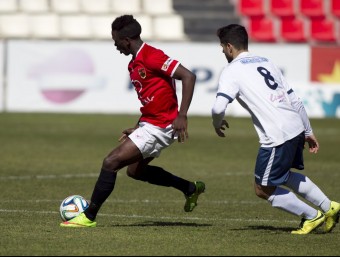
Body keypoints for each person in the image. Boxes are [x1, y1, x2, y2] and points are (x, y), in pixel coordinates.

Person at [60, 15, 205, 228]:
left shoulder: (152, 56)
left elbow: (189, 76)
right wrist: (139, 125)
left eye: (116, 41)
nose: (115, 45)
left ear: (126, 40)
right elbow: (153, 98)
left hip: (162, 126)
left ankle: (89, 216)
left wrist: (182, 115)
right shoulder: (134, 63)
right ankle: (190, 188)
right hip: (150, 124)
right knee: (135, 171)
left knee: (111, 162)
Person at [211, 24, 339, 235]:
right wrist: (307, 131)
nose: (223, 52)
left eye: (223, 48)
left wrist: (217, 123)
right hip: (295, 127)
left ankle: (311, 216)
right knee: (284, 175)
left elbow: (218, 107)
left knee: (262, 188)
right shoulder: (266, 61)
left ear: (229, 46)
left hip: (277, 136)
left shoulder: (231, 70)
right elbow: (295, 100)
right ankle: (329, 207)